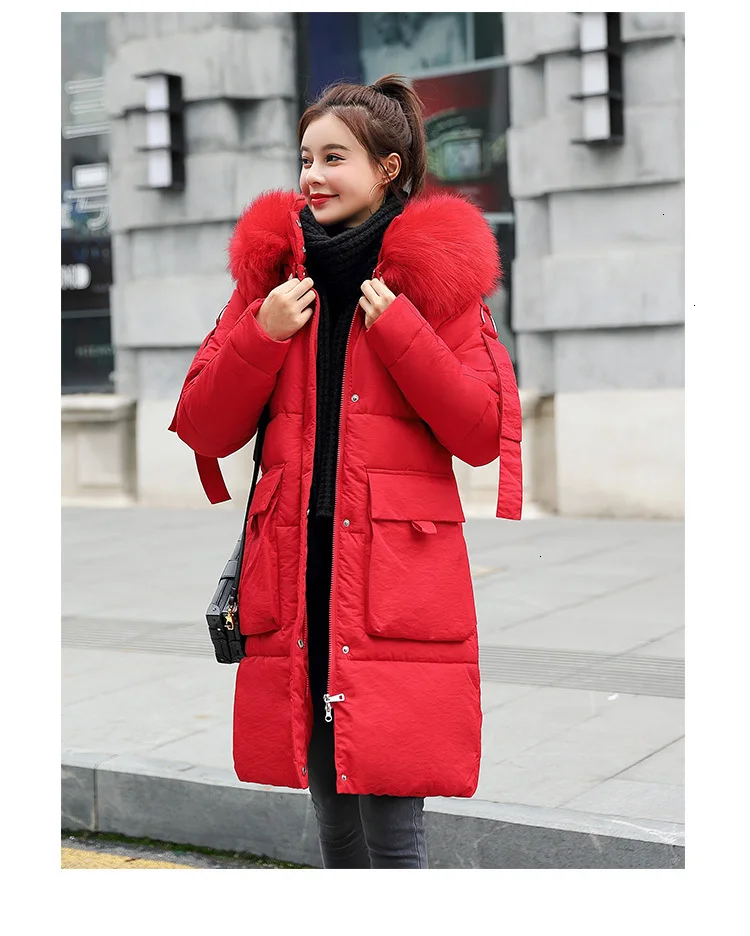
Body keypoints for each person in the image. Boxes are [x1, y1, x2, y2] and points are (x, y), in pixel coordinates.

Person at [169, 73, 522, 869]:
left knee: (393, 830)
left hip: (392, 578)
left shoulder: (433, 285)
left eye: (334, 158)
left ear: (388, 169)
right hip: (299, 572)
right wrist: (261, 335)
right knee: (332, 822)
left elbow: (480, 434)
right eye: (305, 158)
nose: (312, 176)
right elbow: (202, 426)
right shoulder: (272, 283)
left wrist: (402, 331)